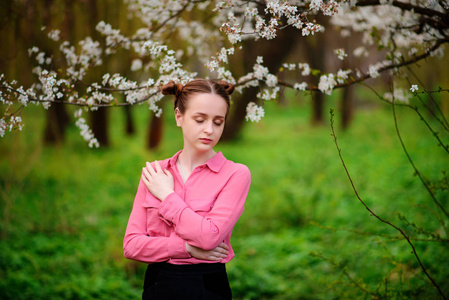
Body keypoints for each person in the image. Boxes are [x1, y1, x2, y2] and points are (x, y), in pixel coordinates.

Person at [123, 78, 251, 300]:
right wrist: (187, 248)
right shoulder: (155, 174)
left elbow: (209, 238)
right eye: (200, 119)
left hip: (207, 286)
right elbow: (132, 245)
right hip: (157, 285)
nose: (209, 130)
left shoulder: (235, 174)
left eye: (218, 122)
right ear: (178, 117)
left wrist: (167, 195)